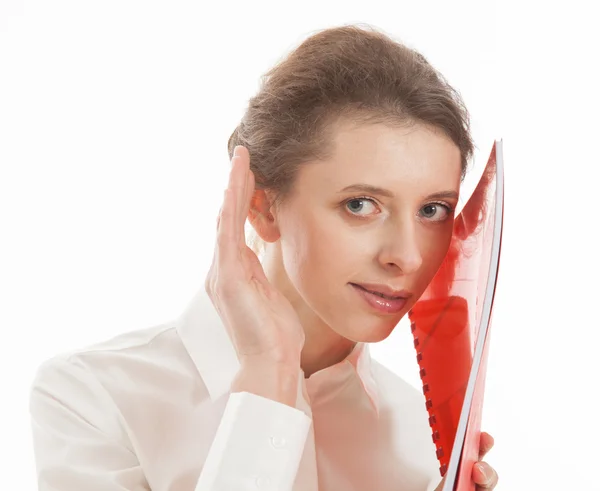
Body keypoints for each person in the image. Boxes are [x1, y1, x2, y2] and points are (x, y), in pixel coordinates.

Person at [29, 24, 499, 491]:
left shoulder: (426, 443)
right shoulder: (92, 398)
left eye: (432, 210)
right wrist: (270, 375)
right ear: (261, 206)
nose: (408, 256)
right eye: (360, 204)